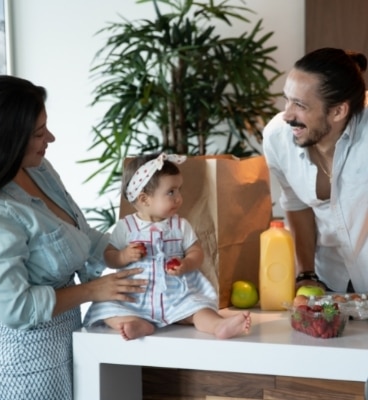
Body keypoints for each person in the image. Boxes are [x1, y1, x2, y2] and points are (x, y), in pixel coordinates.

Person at [0, 75, 147, 400]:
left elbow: (83, 235)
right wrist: (94, 289)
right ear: (6, 139)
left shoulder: (38, 170)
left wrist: (129, 250)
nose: (50, 137)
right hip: (18, 375)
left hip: (59, 357)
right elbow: (17, 308)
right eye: (38, 133)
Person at [83, 153, 251, 340]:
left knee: (198, 308)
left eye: (179, 190)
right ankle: (136, 323)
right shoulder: (126, 226)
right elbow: (109, 256)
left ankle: (218, 325)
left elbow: (196, 252)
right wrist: (123, 256)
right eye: (171, 192)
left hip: (176, 293)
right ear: (144, 199)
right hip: (135, 295)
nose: (179, 197)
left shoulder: (179, 225)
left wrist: (186, 263)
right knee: (106, 308)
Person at [262, 47, 368, 293]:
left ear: (338, 111)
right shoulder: (277, 136)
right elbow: (297, 205)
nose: (287, 115)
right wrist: (306, 274)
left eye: (299, 105)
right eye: (287, 99)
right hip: (330, 280)